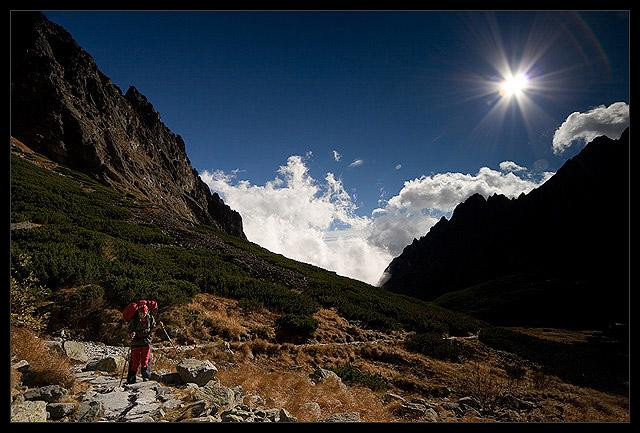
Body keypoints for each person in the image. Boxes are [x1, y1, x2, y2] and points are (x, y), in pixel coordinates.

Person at [126, 301, 157, 384]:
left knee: (145, 360)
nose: (142, 315)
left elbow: (153, 329)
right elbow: (130, 329)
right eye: (140, 313)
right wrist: (131, 334)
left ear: (147, 312)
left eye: (143, 313)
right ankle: (131, 379)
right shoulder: (134, 320)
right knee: (134, 361)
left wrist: (150, 337)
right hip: (136, 342)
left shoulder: (150, 318)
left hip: (146, 342)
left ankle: (146, 377)